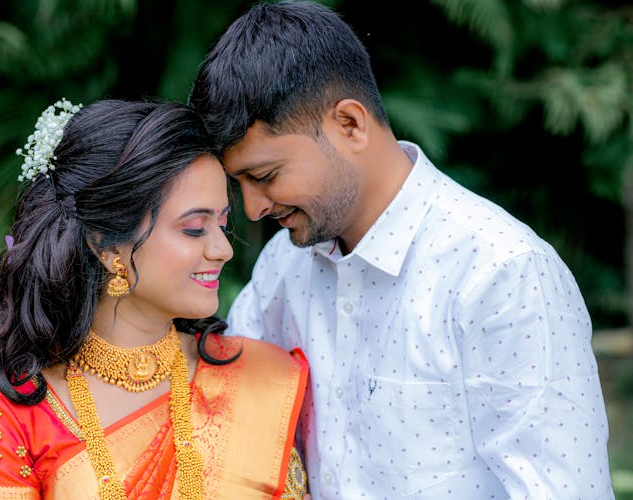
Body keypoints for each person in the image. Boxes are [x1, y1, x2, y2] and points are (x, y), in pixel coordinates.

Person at [187, 1, 614, 499]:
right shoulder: (285, 265)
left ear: (350, 124)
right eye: (240, 184)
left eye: (264, 176)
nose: (254, 207)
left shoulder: (503, 273)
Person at [0, 98, 309, 499]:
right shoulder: (11, 410)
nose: (223, 249)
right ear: (107, 247)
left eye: (221, 224)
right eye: (193, 228)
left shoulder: (256, 378)